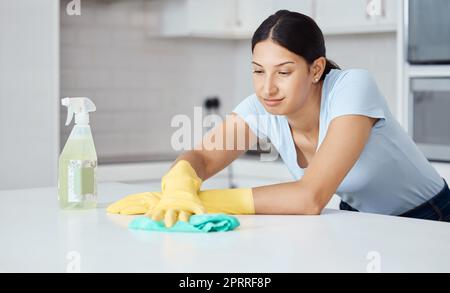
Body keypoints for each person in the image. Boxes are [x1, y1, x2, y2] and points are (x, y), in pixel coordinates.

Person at [108, 10, 450, 225]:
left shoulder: (352, 87)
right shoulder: (260, 107)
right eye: (258, 71)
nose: (267, 87)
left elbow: (309, 198)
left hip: (428, 218)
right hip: (362, 219)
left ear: (315, 69)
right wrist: (179, 183)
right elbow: (203, 155)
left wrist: (202, 200)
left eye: (283, 72)